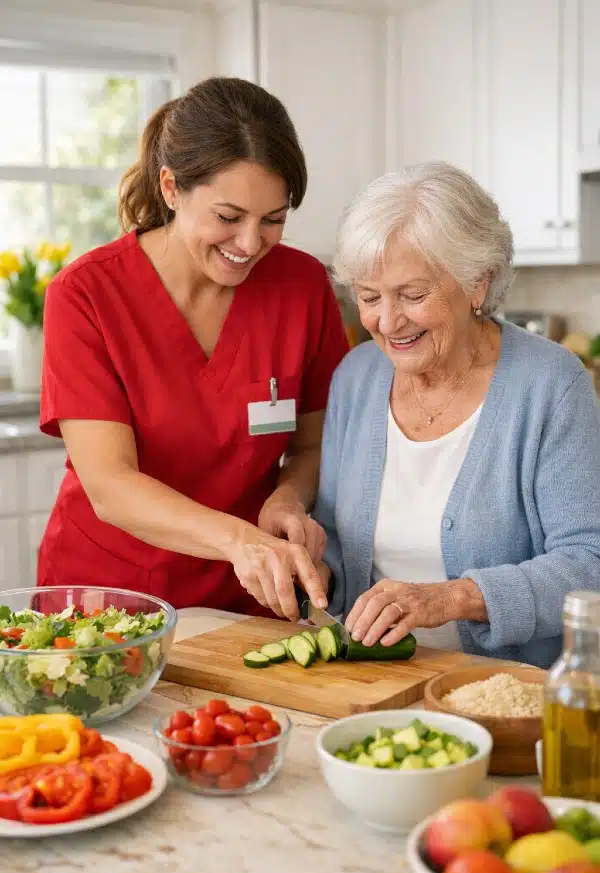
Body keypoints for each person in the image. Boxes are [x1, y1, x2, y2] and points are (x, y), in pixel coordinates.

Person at [38, 76, 348, 618]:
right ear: (171, 188)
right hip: (106, 604)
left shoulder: (302, 287)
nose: (251, 244)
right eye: (228, 217)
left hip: (245, 596)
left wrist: (287, 499)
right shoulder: (86, 295)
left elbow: (313, 446)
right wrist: (239, 541)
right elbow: (110, 485)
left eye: (273, 220)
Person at [308, 161, 600, 667]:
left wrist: (451, 598)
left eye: (413, 295)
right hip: (374, 685)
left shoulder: (551, 383)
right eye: (369, 297)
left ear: (476, 284)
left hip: (501, 694)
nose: (387, 321)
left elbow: (588, 564)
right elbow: (334, 535)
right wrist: (306, 564)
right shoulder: (357, 376)